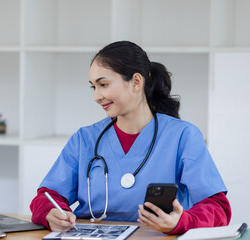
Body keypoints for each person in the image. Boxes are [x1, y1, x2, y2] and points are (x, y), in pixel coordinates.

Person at [30, 41, 231, 234]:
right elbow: (48, 195)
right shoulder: (84, 139)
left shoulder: (183, 136)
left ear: (136, 81)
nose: (97, 96)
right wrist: (51, 213)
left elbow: (218, 207)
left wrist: (182, 221)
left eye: (104, 84)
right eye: (94, 87)